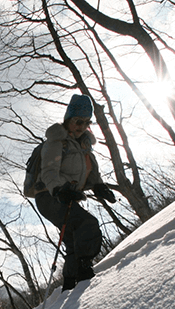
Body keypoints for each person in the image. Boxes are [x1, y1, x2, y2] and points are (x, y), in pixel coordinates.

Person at [34, 94, 116, 291]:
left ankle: (70, 286)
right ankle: (83, 271)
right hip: (49, 195)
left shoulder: (84, 146)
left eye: (87, 122)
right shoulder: (57, 142)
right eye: (78, 121)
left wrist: (98, 186)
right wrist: (59, 189)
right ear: (68, 120)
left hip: (68, 195)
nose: (82, 126)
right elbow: (49, 171)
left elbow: (89, 172)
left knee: (73, 238)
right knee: (86, 224)